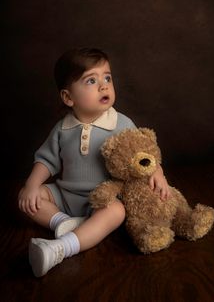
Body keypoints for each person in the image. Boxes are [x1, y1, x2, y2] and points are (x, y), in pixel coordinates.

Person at [18, 47, 172, 277]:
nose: (104, 85)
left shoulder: (120, 123)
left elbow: (144, 156)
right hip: (64, 195)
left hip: (102, 199)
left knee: (117, 212)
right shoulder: (62, 129)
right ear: (68, 97)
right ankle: (64, 223)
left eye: (107, 77)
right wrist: (31, 186)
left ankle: (62, 247)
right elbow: (46, 161)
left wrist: (158, 173)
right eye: (91, 80)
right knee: (27, 198)